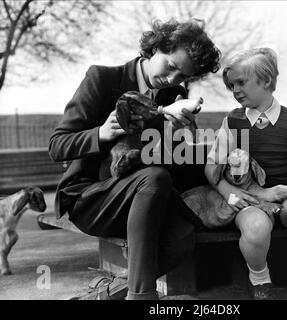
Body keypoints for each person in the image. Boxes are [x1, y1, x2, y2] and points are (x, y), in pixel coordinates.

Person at [48, 19, 221, 300]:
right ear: (155, 48)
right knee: (155, 179)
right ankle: (141, 296)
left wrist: (174, 137)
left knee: (184, 233)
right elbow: (57, 145)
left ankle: (108, 293)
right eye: (171, 66)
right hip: (91, 198)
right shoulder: (102, 79)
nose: (172, 79)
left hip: (142, 196)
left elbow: (159, 158)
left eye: (182, 76)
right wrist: (101, 133)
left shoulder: (172, 95)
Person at [204, 48, 287, 300]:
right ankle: (260, 279)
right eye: (232, 85)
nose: (235, 90)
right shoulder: (233, 122)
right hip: (251, 199)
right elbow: (211, 169)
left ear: (266, 81)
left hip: (286, 199)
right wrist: (229, 192)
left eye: (241, 82)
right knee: (255, 227)